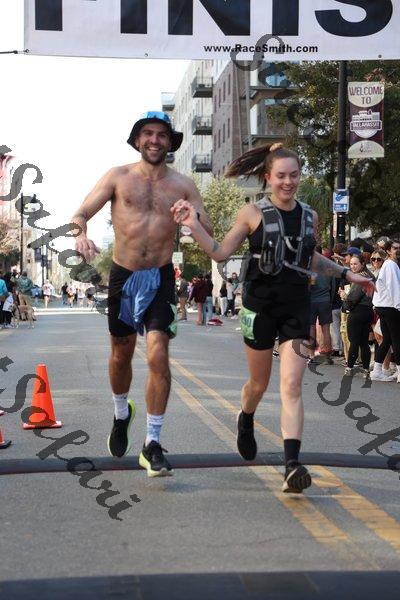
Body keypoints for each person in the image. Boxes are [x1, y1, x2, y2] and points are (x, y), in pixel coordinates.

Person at [172, 142, 374, 493]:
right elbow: (220, 252)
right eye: (281, 175)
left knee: (292, 385)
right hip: (260, 307)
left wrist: (346, 274)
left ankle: (292, 465)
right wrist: (193, 225)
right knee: (258, 384)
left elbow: (308, 258)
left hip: (296, 307)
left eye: (294, 175)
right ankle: (246, 417)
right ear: (268, 177)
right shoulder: (252, 213)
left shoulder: (309, 216)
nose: (288, 182)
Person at [72, 110, 212, 476]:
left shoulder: (183, 185)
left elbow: (208, 228)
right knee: (121, 356)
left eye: (161, 134)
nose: (154, 140)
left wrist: (192, 217)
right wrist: (80, 234)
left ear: (170, 143)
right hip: (124, 277)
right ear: (137, 140)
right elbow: (81, 213)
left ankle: (152, 443)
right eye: (148, 133)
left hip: (160, 277)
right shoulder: (118, 177)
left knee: (158, 354)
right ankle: (121, 414)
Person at [340, 254, 374, 378]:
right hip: (368, 311)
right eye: (351, 264)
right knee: (364, 342)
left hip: (357, 312)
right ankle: (366, 370)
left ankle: (349, 368)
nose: (353, 266)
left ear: (362, 264)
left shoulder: (361, 277)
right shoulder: (370, 275)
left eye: (355, 264)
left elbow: (352, 299)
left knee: (354, 341)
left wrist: (343, 295)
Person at [370, 240, 400, 383]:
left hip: (384, 306)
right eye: (395, 248)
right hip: (390, 307)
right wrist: (399, 306)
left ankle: (377, 371)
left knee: (387, 339)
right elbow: (393, 288)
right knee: (396, 339)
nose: (398, 250)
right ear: (388, 250)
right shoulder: (391, 265)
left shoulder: (389, 265)